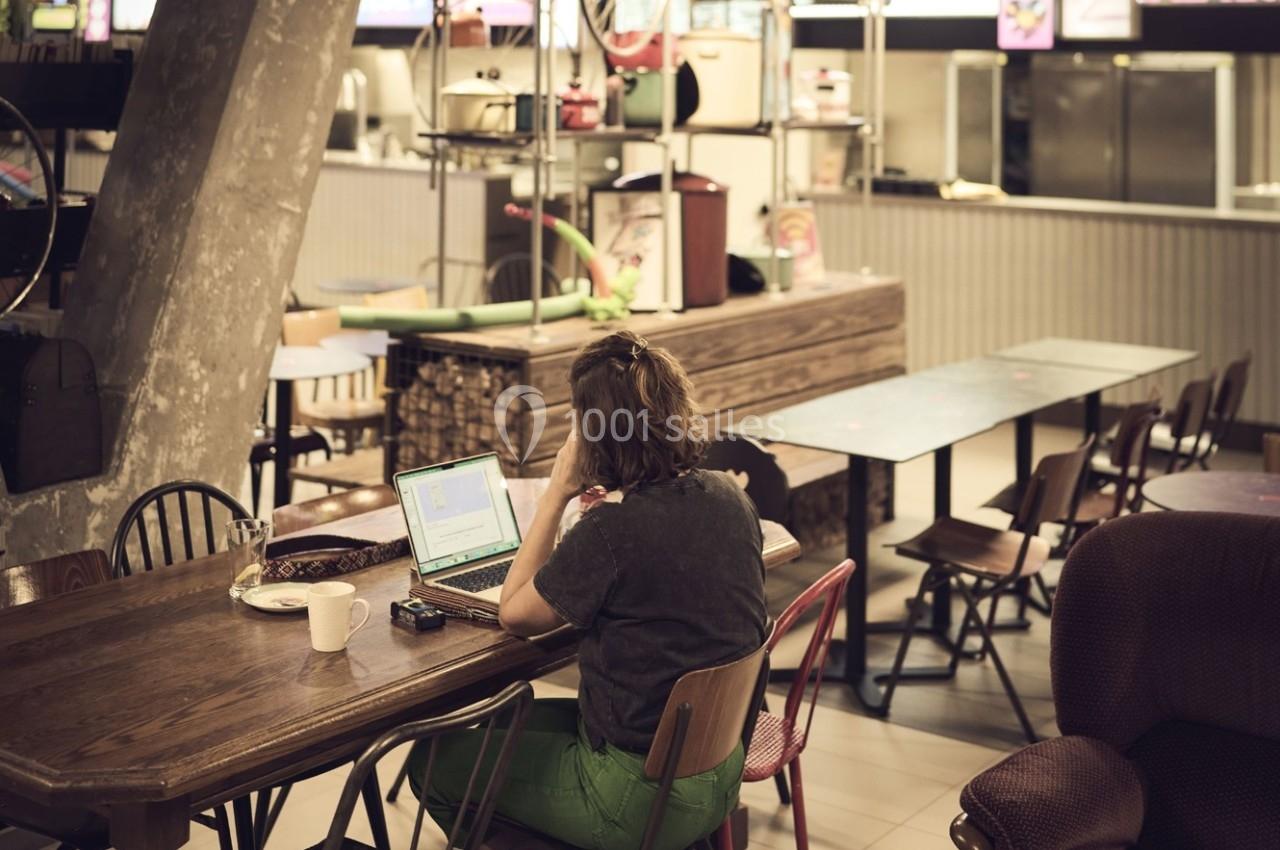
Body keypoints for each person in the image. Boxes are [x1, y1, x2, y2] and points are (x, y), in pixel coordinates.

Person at [411, 330, 768, 850]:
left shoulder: (611, 531)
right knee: (508, 718)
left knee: (435, 762)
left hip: (636, 797)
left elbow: (515, 613)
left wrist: (557, 491)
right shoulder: (728, 496)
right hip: (721, 768)